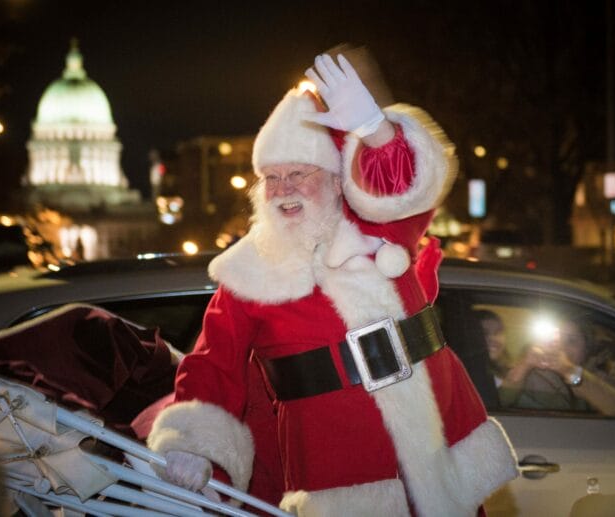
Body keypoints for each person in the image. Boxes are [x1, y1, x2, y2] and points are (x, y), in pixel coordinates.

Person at [143, 52, 518, 516]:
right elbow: (210, 363)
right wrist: (192, 446)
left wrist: (373, 129)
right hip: (340, 477)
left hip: (438, 453)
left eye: (298, 173)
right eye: (272, 179)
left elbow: (407, 183)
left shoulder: (384, 231)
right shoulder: (248, 273)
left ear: (337, 181)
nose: (283, 190)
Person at [500, 316, 615, 417]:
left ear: (587, 345)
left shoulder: (601, 366)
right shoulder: (533, 369)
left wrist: (569, 370)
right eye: (555, 341)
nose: (561, 348)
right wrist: (524, 366)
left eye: (571, 341)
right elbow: (500, 403)